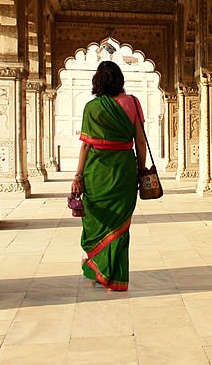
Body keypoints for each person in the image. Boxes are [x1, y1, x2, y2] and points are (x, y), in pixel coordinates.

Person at [71, 60, 147, 291]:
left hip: (97, 174)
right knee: (121, 224)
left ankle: (98, 266)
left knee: (98, 220)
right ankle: (116, 276)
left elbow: (85, 147)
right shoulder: (132, 102)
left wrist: (78, 176)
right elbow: (140, 141)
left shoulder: (91, 108)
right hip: (124, 172)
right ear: (120, 80)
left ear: (97, 82)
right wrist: (141, 170)